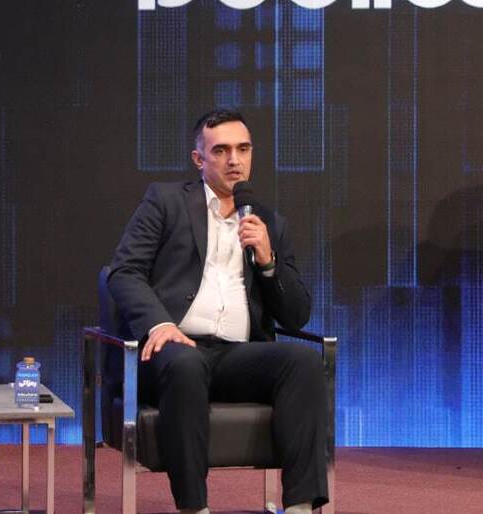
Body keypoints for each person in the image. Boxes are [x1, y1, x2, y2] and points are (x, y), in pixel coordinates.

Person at [106, 109, 328, 514]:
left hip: (236, 355)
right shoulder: (166, 201)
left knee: (304, 361)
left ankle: (300, 505)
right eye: (221, 150)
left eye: (243, 149)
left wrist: (269, 262)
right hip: (173, 348)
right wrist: (160, 324)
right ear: (199, 159)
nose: (234, 160)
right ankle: (194, 507)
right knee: (187, 363)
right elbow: (124, 272)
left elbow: (297, 316)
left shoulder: (268, 222)